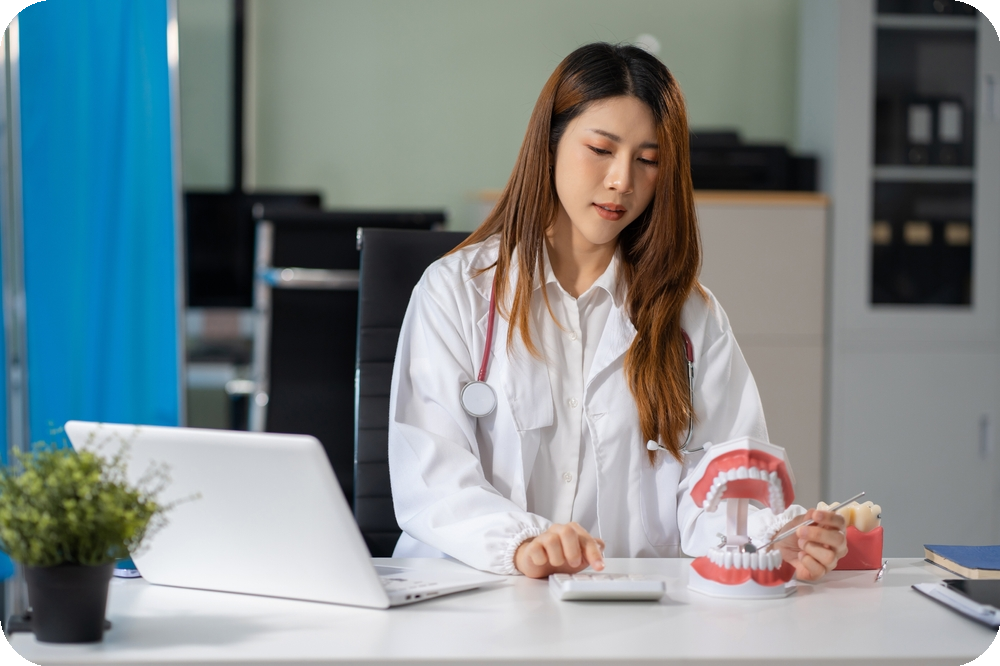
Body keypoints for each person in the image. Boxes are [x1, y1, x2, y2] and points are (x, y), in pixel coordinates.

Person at [387, 42, 847, 579]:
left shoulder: (689, 318)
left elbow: (723, 486)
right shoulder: (456, 293)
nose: (622, 181)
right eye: (601, 150)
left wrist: (770, 541)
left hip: (628, 612)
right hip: (475, 601)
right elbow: (432, 480)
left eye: (647, 160)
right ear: (550, 144)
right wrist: (521, 544)